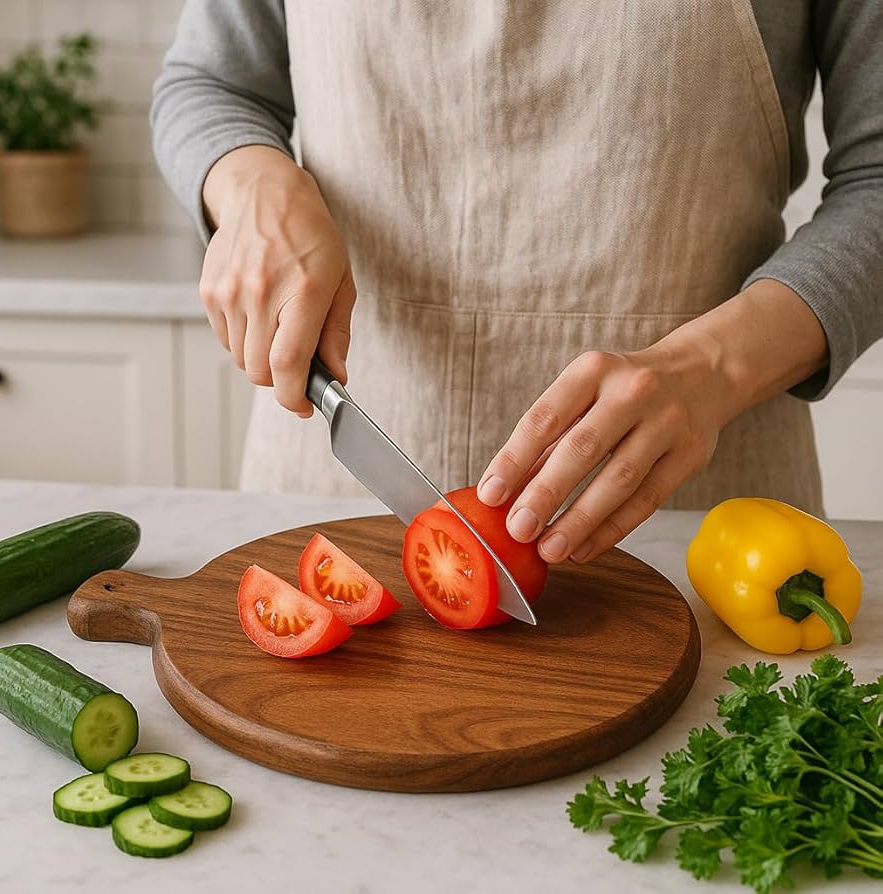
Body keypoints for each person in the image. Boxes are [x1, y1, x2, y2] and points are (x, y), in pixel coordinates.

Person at [151, 1, 883, 566]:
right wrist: (255, 188)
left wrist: (712, 369)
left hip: (700, 518)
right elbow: (208, 81)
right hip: (332, 478)